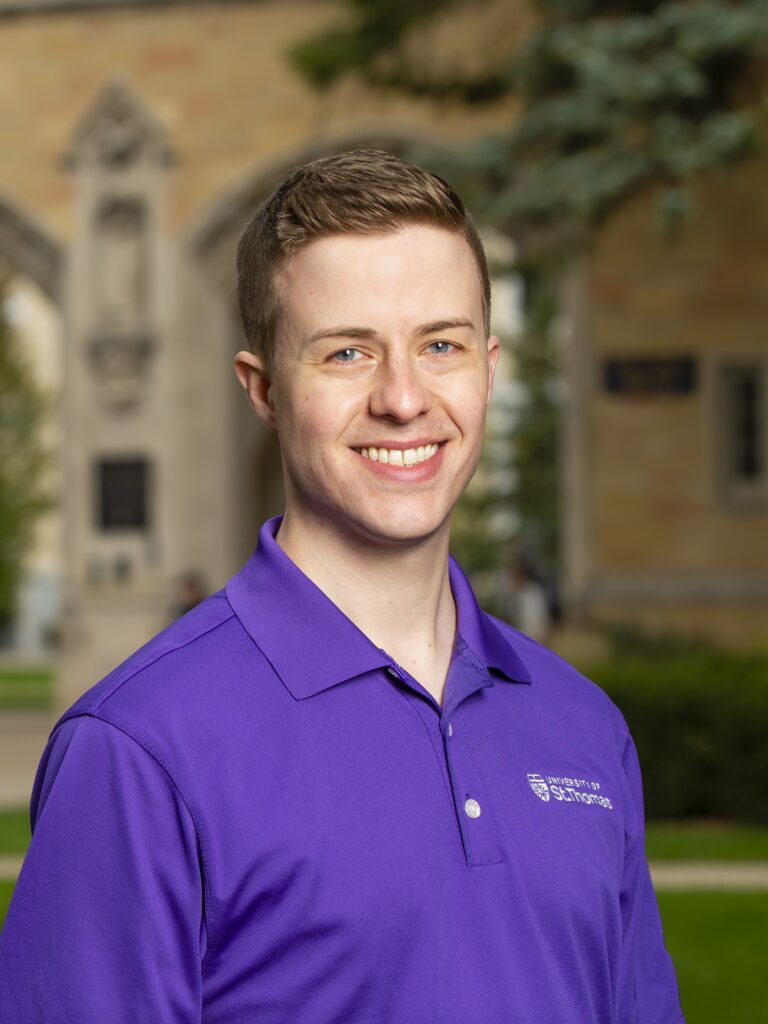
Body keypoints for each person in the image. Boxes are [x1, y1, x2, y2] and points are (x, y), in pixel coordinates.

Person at [0, 149, 684, 1023]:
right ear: (265, 389)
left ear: (489, 365)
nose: (404, 398)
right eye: (348, 353)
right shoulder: (139, 751)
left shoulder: (582, 725)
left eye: (442, 345)